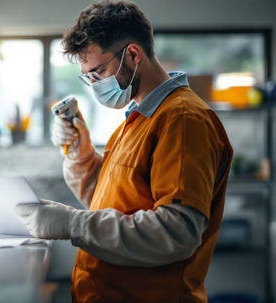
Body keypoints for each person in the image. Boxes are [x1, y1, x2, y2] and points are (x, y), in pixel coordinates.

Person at [14, 1, 233, 302]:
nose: (94, 84)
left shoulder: (183, 119)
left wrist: (72, 224)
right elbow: (111, 202)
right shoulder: (138, 117)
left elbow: (177, 233)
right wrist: (81, 155)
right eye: (87, 76)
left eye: (99, 71)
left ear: (132, 54)